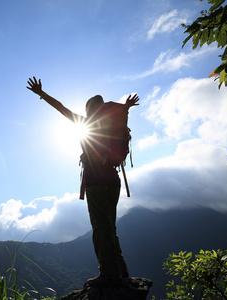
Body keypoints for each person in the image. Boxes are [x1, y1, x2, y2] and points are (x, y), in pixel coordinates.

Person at [26, 76, 139, 287]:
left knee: (100, 226)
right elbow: (122, 125)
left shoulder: (86, 123)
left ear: (90, 110)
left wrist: (41, 94)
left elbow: (61, 108)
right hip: (114, 180)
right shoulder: (114, 125)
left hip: (95, 179)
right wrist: (127, 107)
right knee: (110, 227)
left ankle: (108, 273)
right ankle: (121, 270)